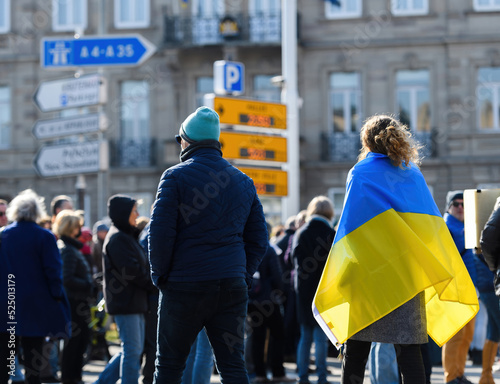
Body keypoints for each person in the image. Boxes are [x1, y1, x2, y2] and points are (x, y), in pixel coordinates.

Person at [312, 115, 478, 384]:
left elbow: (351, 228)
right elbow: (429, 226)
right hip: (405, 276)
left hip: (367, 275)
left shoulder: (360, 173)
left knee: (355, 351)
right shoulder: (412, 173)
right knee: (409, 351)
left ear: (366, 141)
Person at [149, 106, 268, 383]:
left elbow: (160, 234)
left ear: (187, 141)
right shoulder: (243, 181)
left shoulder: (174, 177)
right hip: (230, 285)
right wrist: (242, 273)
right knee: (233, 367)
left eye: (180, 139)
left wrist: (161, 276)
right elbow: (259, 239)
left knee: (168, 366)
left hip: (183, 284)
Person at [0, 189, 71, 384]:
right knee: (34, 361)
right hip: (36, 305)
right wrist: (56, 297)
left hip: (7, 304)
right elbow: (53, 271)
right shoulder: (45, 237)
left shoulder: (3, 235)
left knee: (5, 359)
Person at [95, 195, 155, 384]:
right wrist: (155, 282)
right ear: (124, 213)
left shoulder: (124, 235)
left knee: (133, 349)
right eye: (134, 210)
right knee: (132, 350)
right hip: (126, 302)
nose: (137, 214)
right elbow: (132, 271)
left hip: (134, 302)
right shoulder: (119, 238)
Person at [292, 196, 335, 384]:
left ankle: (302, 377)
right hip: (323, 290)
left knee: (305, 336)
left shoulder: (300, 233)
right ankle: (322, 377)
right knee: (320, 337)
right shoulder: (331, 233)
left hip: (302, 291)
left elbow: (292, 262)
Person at [247, 222, 293, 382]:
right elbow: (278, 277)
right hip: (269, 301)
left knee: (257, 337)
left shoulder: (246, 248)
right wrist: (281, 293)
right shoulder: (269, 249)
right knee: (278, 335)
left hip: (251, 300)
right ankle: (277, 372)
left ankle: (259, 373)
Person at [53, 210, 93, 384]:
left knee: (79, 341)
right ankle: (71, 378)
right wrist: (88, 283)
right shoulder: (68, 249)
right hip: (74, 302)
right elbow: (67, 278)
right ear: (71, 228)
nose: (80, 229)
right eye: (77, 225)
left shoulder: (69, 247)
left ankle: (73, 376)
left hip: (76, 301)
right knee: (75, 342)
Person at [442, 191, 478, 384]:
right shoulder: (445, 226)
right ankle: (450, 377)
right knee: (455, 336)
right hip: (454, 287)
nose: (460, 207)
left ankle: (459, 373)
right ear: (449, 206)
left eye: (464, 204)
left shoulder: (467, 226)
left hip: (470, 286)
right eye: (456, 204)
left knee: (466, 336)